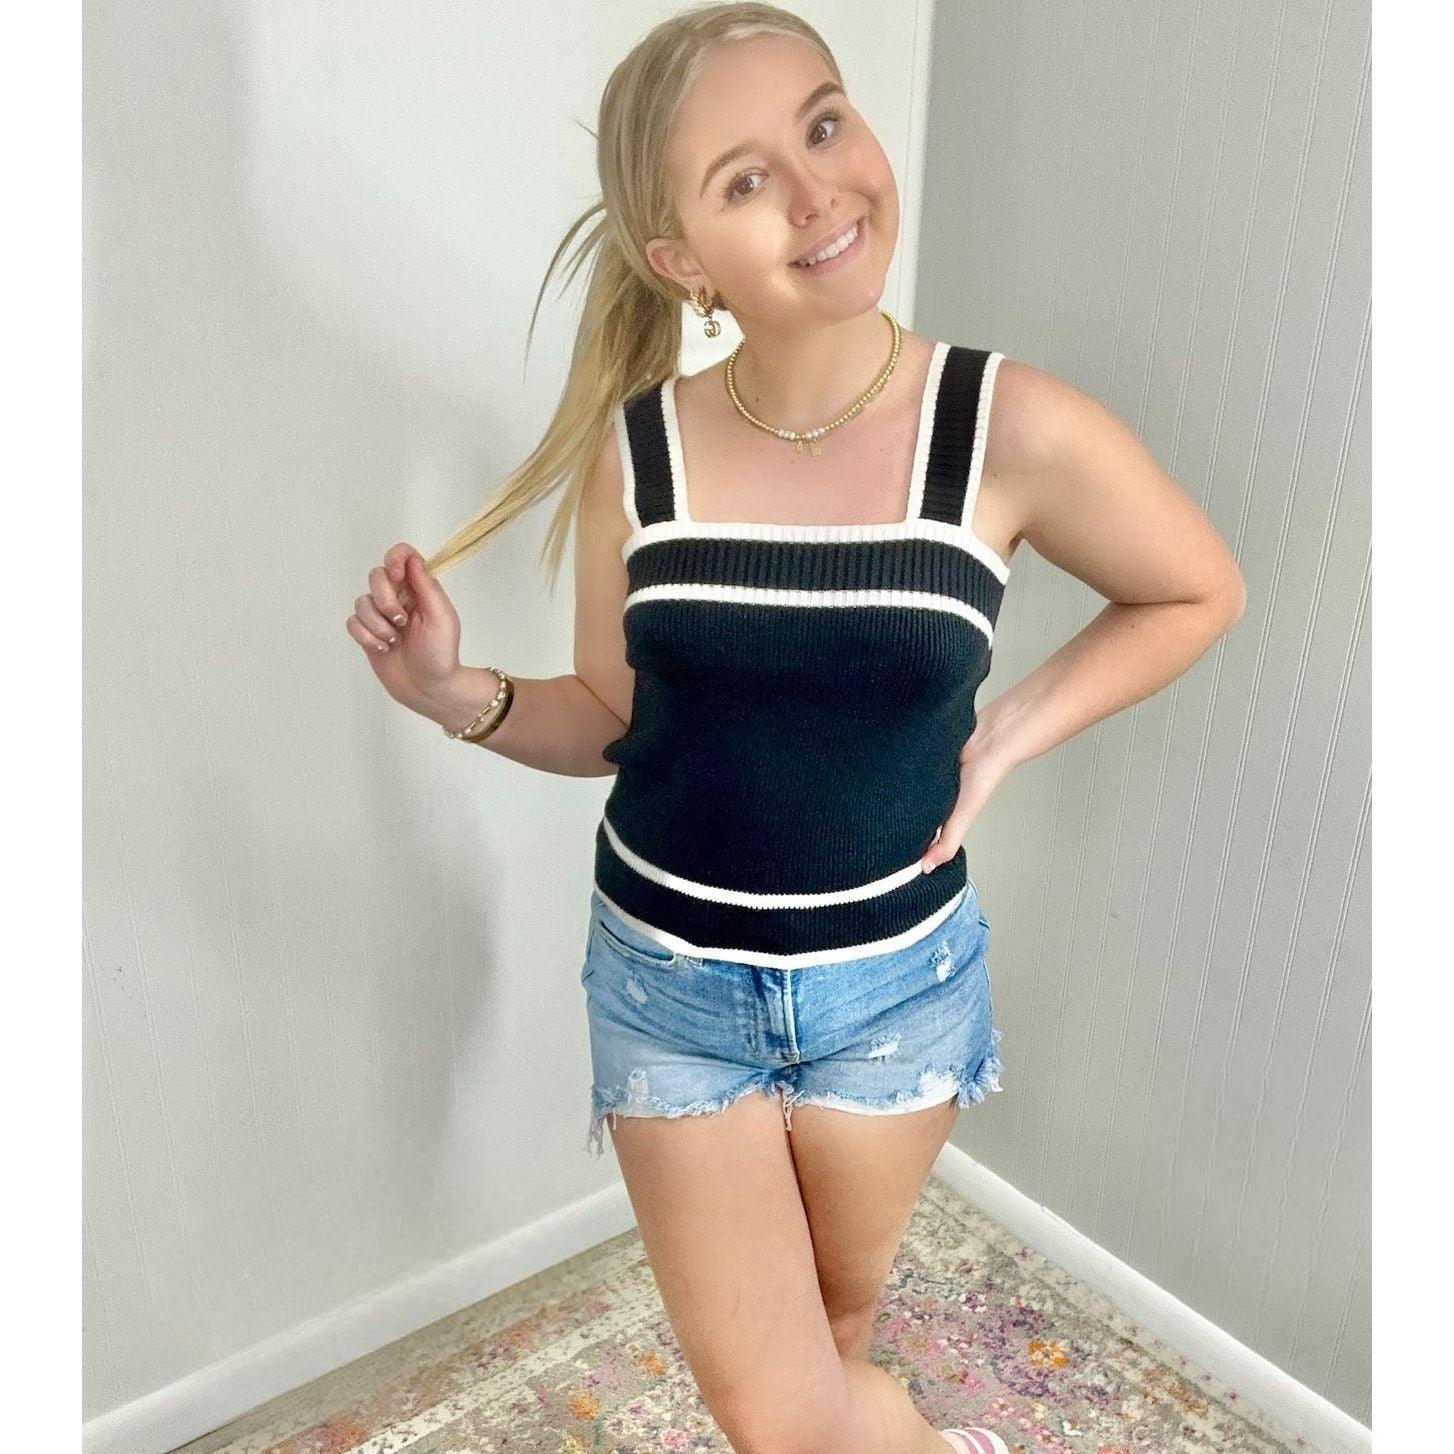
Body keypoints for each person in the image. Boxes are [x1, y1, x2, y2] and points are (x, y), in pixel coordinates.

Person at [342, 6, 1246, 1452]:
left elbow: (1193, 588)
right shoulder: (640, 453)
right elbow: (613, 720)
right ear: (681, 261)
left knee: (825, 1352)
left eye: (824, 124)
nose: (820, 191)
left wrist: (1010, 728)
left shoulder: (1003, 426)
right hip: (671, 985)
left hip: (893, 991)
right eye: (746, 179)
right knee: (784, 1415)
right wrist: (457, 694)